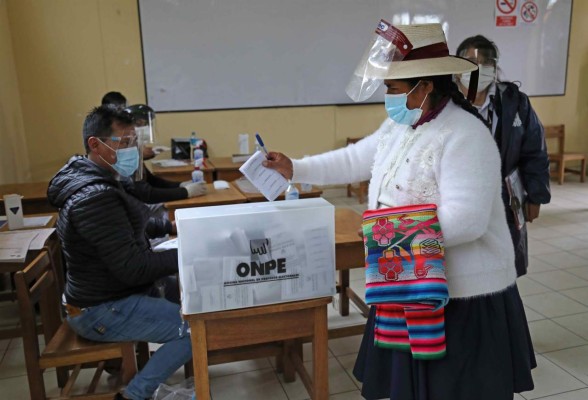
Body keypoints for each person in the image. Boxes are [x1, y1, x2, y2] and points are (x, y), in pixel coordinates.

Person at [264, 23, 535, 400]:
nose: (387, 98)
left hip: (463, 297)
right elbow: (355, 159)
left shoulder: (465, 135)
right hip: (410, 280)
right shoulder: (401, 125)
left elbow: (467, 220)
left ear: (424, 87)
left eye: (393, 89)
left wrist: (386, 234)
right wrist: (297, 168)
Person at [47, 105, 192, 400]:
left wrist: (173, 227)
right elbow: (134, 268)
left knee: (189, 294)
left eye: (133, 142)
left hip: (109, 293)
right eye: (124, 143)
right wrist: (189, 251)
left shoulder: (97, 175)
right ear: (95, 144)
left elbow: (132, 224)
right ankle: (135, 394)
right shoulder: (95, 197)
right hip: (99, 309)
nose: (132, 150)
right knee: (193, 328)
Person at [454, 35, 551, 277]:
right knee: (463, 269)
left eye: (485, 63)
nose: (478, 70)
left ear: (494, 68)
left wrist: (536, 197)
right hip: (459, 199)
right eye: (470, 63)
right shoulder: (444, 104)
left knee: (502, 268)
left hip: (506, 199)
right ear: (456, 70)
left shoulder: (515, 102)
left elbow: (535, 152)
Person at [124, 103, 207, 203]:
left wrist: (181, 185)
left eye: (146, 124)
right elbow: (146, 194)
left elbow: (152, 181)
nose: (146, 128)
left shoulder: (134, 151)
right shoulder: (126, 155)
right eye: (139, 124)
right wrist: (186, 192)